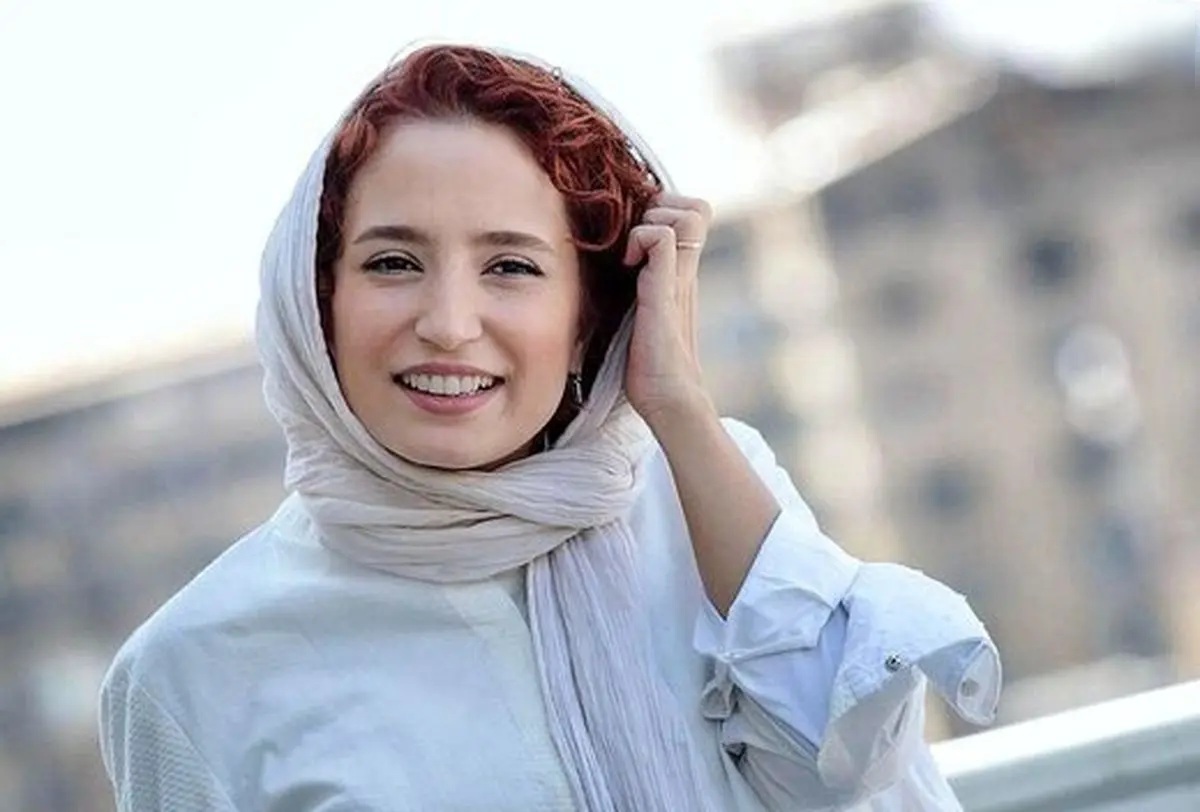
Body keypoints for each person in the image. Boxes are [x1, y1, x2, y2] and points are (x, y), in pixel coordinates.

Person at [97, 43, 1001, 812]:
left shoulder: (702, 499)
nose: (449, 323)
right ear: (316, 297)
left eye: (512, 267)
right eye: (394, 262)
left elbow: (852, 776)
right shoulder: (192, 671)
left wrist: (678, 405)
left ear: (586, 315)